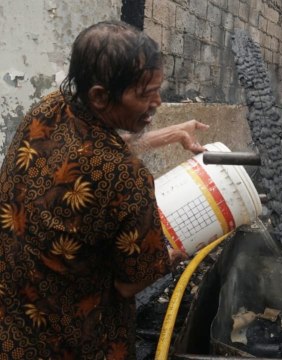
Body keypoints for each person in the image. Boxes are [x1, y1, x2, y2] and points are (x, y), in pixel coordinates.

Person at [0, 20, 204, 359]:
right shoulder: (128, 177)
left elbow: (94, 150)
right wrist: (170, 256)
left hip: (13, 313)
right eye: (145, 94)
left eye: (158, 89)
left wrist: (172, 134)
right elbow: (129, 284)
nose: (157, 102)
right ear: (100, 96)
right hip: (69, 337)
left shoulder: (50, 109)